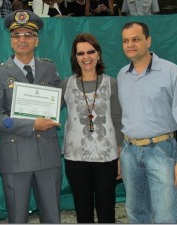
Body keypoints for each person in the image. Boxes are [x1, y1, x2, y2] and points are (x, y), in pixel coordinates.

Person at [117, 21, 177, 223]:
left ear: (148, 40)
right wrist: (122, 153)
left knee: (165, 216)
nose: (130, 45)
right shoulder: (122, 75)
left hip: (162, 152)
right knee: (135, 213)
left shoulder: (171, 73)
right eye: (126, 41)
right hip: (130, 152)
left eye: (136, 39)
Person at [0, 10, 62, 223]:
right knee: (17, 218)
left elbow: (56, 102)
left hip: (48, 154)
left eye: (28, 35)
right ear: (11, 41)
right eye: (17, 36)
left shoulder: (50, 68)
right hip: (16, 157)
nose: (22, 40)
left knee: (53, 217)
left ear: (36, 40)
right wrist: (32, 124)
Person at [59, 33, 122, 223]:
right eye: (80, 53)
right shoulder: (66, 84)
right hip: (75, 157)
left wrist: (120, 155)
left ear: (98, 54)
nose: (86, 57)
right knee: (83, 210)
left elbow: (118, 120)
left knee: (106, 209)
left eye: (90, 52)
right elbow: (47, 111)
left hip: (107, 156)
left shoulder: (111, 83)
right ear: (75, 57)